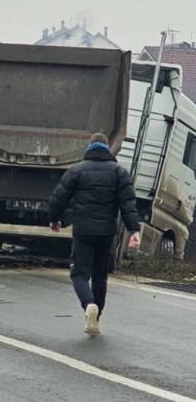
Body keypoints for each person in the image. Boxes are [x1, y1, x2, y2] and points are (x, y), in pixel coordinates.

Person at [48, 132, 141, 336]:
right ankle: (96, 318)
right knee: (100, 276)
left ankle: (88, 304)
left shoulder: (77, 171)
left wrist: (55, 219)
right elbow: (128, 205)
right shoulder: (119, 172)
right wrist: (134, 230)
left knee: (79, 274)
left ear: (89, 148)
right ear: (108, 148)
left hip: (83, 231)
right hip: (106, 233)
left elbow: (58, 198)